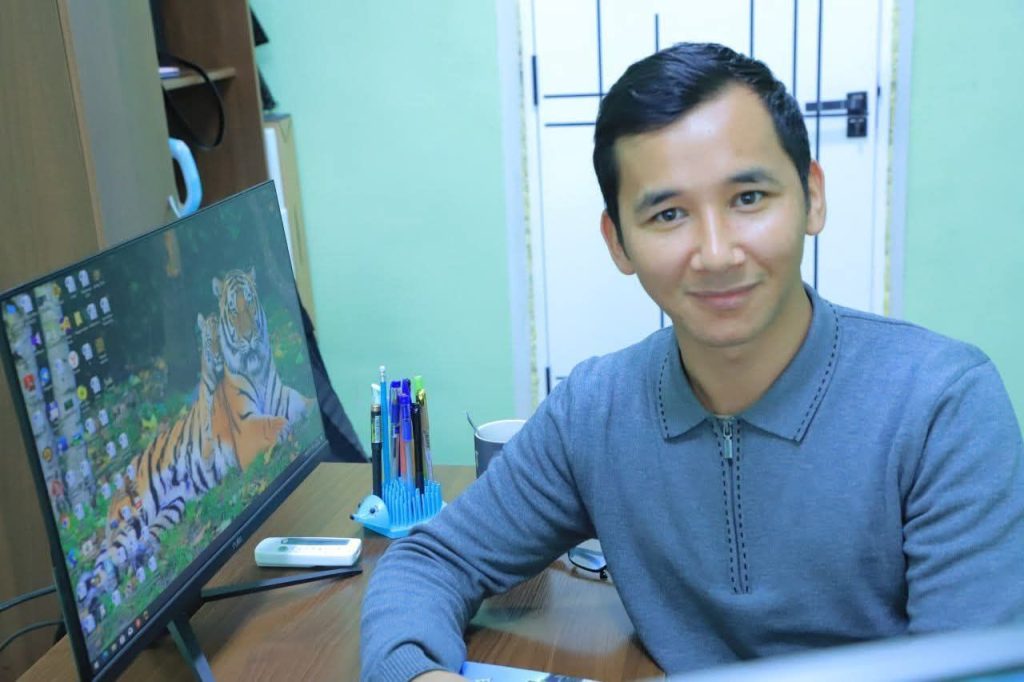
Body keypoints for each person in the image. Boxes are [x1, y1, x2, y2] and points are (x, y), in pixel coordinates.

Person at [359, 42, 1024, 681]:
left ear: (812, 197)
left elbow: (974, 669)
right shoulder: (595, 411)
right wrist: (418, 674)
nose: (715, 252)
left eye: (749, 198)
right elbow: (431, 561)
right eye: (669, 213)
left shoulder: (944, 405)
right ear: (618, 241)